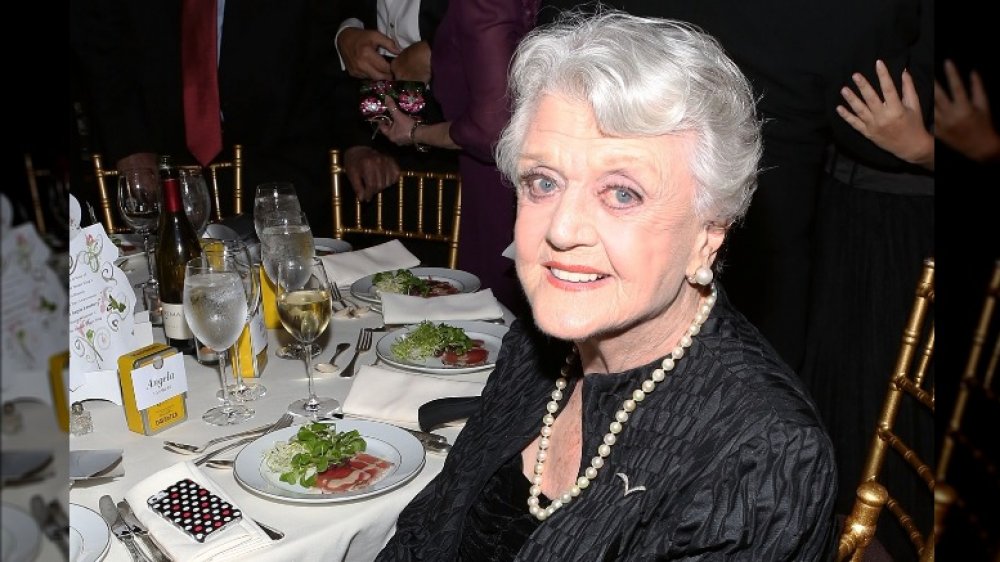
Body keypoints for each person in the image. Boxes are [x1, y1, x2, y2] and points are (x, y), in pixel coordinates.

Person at [376, 12, 837, 560]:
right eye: (543, 182)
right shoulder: (543, 338)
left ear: (708, 235)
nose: (562, 231)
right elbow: (432, 526)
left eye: (622, 194)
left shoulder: (765, 454)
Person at [70, 0, 399, 237]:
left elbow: (335, 41)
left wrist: (356, 142)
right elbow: (101, 47)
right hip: (164, 154)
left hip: (282, 156)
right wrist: (130, 145)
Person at [372, 0, 537, 315]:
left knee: (498, 324)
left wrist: (417, 133)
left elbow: (490, 131)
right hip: (530, 176)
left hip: (500, 186)